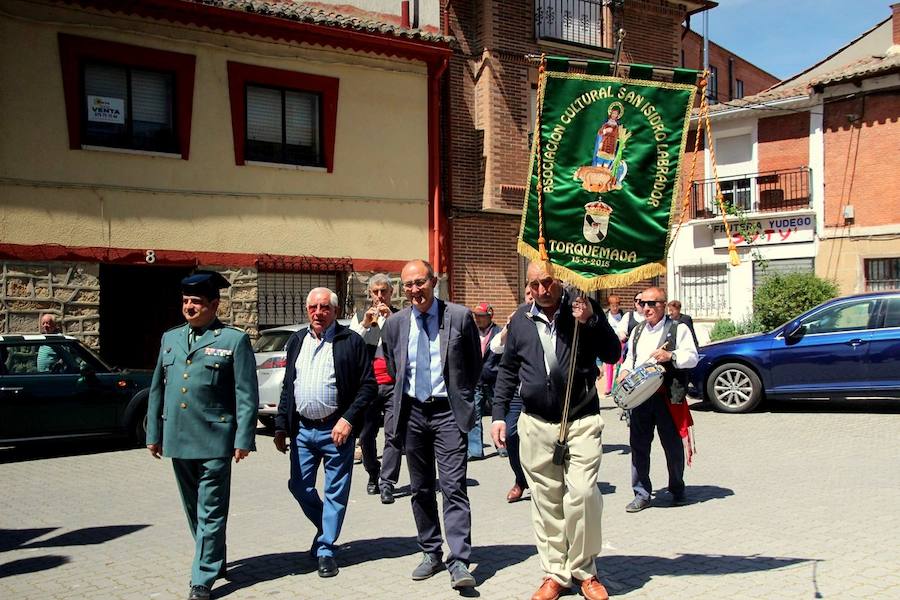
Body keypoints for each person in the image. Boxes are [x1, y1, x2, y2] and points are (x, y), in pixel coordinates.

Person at [491, 261, 620, 600]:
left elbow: (612, 352)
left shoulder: (580, 309)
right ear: (528, 287)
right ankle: (555, 573)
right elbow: (507, 370)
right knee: (546, 501)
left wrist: (591, 319)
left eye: (547, 281)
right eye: (534, 284)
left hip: (581, 419)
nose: (541, 289)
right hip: (536, 423)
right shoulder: (520, 320)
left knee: (581, 494)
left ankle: (585, 571)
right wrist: (498, 415)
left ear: (558, 281)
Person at [146, 271, 259, 600]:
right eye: (185, 302)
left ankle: (202, 577)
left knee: (211, 509)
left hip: (215, 439)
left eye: (196, 302)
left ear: (214, 305)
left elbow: (246, 394)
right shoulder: (171, 339)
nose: (189, 307)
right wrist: (154, 433)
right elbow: (158, 389)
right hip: (178, 438)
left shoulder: (232, 340)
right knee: (194, 509)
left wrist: (243, 439)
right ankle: (214, 557)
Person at [380, 259, 481, 590]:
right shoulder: (394, 325)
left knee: (453, 487)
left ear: (433, 282)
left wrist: (462, 397)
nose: (414, 290)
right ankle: (430, 551)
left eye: (419, 283)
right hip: (412, 414)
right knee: (421, 488)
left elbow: (473, 366)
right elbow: (394, 370)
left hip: (448, 413)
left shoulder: (460, 317)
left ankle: (460, 559)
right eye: (408, 285)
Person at [273, 287, 375, 578]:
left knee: (335, 492)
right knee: (299, 487)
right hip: (302, 431)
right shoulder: (296, 341)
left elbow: (368, 386)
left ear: (334, 311)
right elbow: (288, 388)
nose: (319, 313)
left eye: (325, 307)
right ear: (307, 310)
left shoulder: (350, 341)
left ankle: (327, 549)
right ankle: (325, 527)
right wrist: (281, 426)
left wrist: (348, 420)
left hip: (336, 430)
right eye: (313, 307)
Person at [618, 287, 699, 513]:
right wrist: (624, 372)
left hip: (667, 397)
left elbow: (692, 357)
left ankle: (677, 488)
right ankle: (641, 493)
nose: (646, 308)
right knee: (639, 447)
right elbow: (629, 359)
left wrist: (671, 356)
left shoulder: (678, 328)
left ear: (663, 304)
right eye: (642, 303)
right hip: (640, 398)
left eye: (651, 304)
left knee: (672, 448)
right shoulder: (637, 331)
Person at [349, 273, 402, 503]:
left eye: (384, 291)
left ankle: (388, 482)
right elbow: (351, 346)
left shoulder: (401, 317)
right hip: (369, 385)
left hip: (393, 384)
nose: (380, 296)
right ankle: (373, 473)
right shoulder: (360, 316)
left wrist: (391, 321)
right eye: (376, 292)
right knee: (367, 434)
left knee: (394, 434)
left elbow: (407, 345)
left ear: (391, 294)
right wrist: (364, 324)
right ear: (370, 294)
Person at [488, 286, 533, 502]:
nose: (532, 296)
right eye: (528, 293)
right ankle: (520, 479)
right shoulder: (517, 319)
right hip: (518, 390)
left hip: (542, 390)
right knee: (512, 435)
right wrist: (509, 326)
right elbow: (495, 347)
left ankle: (545, 480)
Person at [467, 302, 501, 460]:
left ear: (490, 316)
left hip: (495, 381)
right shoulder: (470, 332)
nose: (477, 319)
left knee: (500, 415)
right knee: (475, 416)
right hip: (475, 381)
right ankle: (475, 450)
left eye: (481, 316)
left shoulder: (500, 333)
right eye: (476, 316)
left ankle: (503, 447)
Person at [601, 295, 625, 395]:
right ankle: (608, 387)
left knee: (620, 364)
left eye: (616, 305)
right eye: (612, 305)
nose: (615, 308)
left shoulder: (623, 315)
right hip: (610, 341)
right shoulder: (606, 315)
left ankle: (618, 385)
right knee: (609, 364)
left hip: (621, 342)